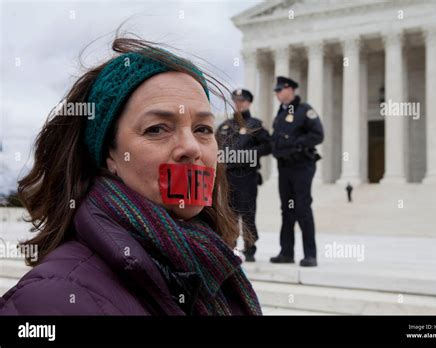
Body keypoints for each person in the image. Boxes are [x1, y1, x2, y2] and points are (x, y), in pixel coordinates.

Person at [0, 37, 262, 315]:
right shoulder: (50, 300)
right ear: (109, 155)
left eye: (203, 129)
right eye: (156, 129)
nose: (191, 148)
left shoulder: (215, 265)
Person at [269, 76, 324, 267]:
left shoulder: (304, 110)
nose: (277, 94)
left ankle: (310, 254)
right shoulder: (280, 115)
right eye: (276, 91)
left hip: (301, 166)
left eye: (280, 90)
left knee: (302, 207)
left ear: (291, 90)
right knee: (287, 210)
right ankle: (286, 252)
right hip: (284, 167)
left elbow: (318, 134)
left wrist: (297, 145)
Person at [217, 89, 271, 262]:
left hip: (246, 176)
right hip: (227, 177)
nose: (238, 103)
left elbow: (268, 146)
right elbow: (215, 146)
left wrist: (250, 154)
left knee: (247, 213)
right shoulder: (226, 125)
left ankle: (250, 247)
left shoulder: (255, 125)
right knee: (228, 213)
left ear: (249, 103)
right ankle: (229, 246)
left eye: (242, 100)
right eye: (236, 100)